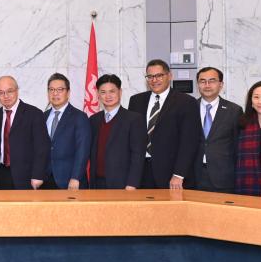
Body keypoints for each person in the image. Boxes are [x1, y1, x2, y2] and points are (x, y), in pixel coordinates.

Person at [128, 59, 199, 189]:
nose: (154, 80)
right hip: (140, 172)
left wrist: (179, 174)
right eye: (150, 76)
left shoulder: (186, 102)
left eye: (159, 75)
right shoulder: (136, 101)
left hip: (171, 174)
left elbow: (189, 142)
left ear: (169, 76)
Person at [88, 74, 146, 189]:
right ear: (98, 94)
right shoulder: (94, 120)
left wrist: (132, 184)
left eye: (112, 91)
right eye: (103, 92)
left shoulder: (134, 119)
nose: (108, 96)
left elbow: (138, 155)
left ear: (120, 92)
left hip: (123, 184)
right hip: (97, 183)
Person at [0, 75, 49, 190]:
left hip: (27, 177)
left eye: (10, 91)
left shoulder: (34, 114)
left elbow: (42, 147)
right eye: (1, 92)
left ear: (17, 91)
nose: (6, 96)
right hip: (0, 175)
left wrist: (37, 175)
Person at [192, 67, 241, 193]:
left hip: (224, 178)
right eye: (202, 81)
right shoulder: (189, 108)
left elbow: (238, 147)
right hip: (193, 177)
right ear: (198, 84)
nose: (207, 85)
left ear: (221, 84)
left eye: (212, 81)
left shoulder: (234, 111)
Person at [44, 73, 91, 190]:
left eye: (60, 89)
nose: (55, 93)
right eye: (51, 90)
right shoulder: (42, 116)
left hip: (69, 180)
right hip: (45, 180)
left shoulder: (79, 117)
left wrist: (75, 177)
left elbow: (83, 150)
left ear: (68, 93)